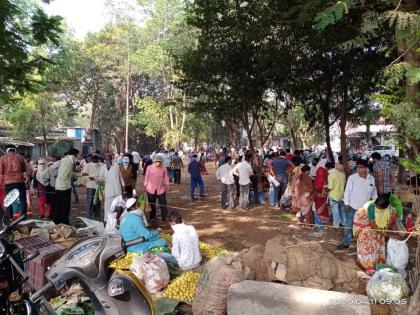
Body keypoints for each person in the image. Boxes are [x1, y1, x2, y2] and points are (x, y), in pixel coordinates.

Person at [337, 159, 377, 250]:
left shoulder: (371, 179)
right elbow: (347, 191)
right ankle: (346, 243)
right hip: (352, 207)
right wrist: (346, 204)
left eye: (361, 167)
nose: (359, 169)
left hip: (364, 209)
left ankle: (361, 244)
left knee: (363, 227)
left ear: (366, 168)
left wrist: (375, 202)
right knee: (348, 226)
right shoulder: (352, 178)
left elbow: (374, 192)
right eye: (357, 167)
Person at [353, 196, 398, 274]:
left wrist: (395, 233)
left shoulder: (390, 211)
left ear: (384, 208)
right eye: (376, 206)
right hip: (364, 220)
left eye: (378, 208)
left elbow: (393, 223)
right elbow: (373, 225)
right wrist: (384, 233)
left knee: (379, 239)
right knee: (367, 237)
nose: (376, 207)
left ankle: (378, 261)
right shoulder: (371, 207)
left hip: (376, 224)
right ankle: (367, 265)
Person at [0, 144, 32, 219]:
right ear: (14, 149)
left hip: (8, 182)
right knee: (22, 199)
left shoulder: (2, 158)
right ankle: (23, 217)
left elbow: (1, 171)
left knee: (9, 199)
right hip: (19, 181)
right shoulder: (20, 157)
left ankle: (9, 217)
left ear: (7, 150)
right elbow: (24, 169)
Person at [54, 148, 79, 224]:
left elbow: (67, 173)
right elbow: (66, 175)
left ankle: (57, 221)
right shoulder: (69, 161)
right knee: (65, 207)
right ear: (75, 154)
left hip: (59, 186)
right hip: (64, 187)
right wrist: (76, 176)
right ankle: (64, 223)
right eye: (78, 155)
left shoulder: (65, 160)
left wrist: (77, 175)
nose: (78, 156)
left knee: (59, 206)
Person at [99, 153, 125, 221]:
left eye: (109, 159)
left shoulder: (116, 166)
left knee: (118, 207)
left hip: (117, 191)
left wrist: (123, 187)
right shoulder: (103, 168)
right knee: (108, 208)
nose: (107, 160)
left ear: (111, 159)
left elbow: (121, 178)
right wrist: (95, 179)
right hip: (108, 191)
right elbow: (100, 179)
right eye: (106, 159)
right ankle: (108, 221)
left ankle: (119, 220)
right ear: (104, 160)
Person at [144, 155, 170, 221]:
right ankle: (152, 216)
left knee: (163, 203)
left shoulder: (164, 168)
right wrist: (145, 185)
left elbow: (166, 177)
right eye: (157, 161)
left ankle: (164, 216)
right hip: (150, 189)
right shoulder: (149, 167)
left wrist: (168, 185)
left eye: (159, 162)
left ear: (161, 162)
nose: (158, 163)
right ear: (154, 161)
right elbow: (146, 177)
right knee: (152, 203)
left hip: (160, 189)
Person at [82, 154, 103, 219]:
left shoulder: (102, 165)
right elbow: (84, 175)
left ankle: (97, 216)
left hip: (98, 186)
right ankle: (88, 216)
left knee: (97, 202)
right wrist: (91, 178)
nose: (95, 160)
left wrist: (94, 178)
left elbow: (102, 176)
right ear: (91, 159)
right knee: (90, 201)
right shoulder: (88, 165)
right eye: (93, 159)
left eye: (96, 159)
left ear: (98, 159)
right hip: (90, 186)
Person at [326, 161, 346, 227]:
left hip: (334, 195)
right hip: (341, 195)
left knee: (335, 211)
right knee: (342, 210)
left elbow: (330, 187)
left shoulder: (331, 175)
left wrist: (326, 190)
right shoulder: (342, 174)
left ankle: (336, 225)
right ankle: (344, 222)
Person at [314, 159, 329, 223]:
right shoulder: (324, 170)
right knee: (323, 203)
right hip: (323, 189)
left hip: (317, 189)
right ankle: (323, 217)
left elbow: (317, 179)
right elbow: (325, 181)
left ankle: (318, 217)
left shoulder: (318, 170)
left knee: (318, 203)